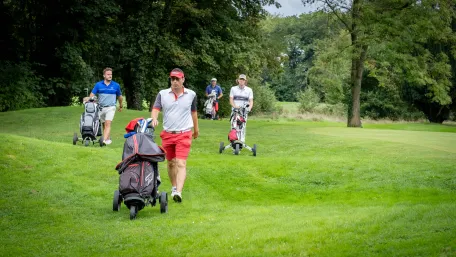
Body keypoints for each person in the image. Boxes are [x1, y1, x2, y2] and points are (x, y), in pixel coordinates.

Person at [151, 68, 199, 203]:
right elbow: (155, 109)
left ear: (183, 79)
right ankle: (173, 187)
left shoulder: (191, 94)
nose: (175, 81)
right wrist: (154, 118)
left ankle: (178, 191)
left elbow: (194, 113)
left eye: (178, 79)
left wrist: (196, 130)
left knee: (181, 162)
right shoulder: (163, 94)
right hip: (167, 133)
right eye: (173, 79)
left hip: (184, 133)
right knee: (171, 163)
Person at [89, 67, 123, 145]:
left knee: (108, 123)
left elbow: (120, 97)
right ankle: (107, 138)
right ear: (104, 75)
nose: (110, 76)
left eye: (111, 74)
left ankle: (103, 141)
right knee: (103, 124)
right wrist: (90, 101)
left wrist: (121, 106)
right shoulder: (98, 85)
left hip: (111, 107)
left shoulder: (116, 85)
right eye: (108, 74)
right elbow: (92, 94)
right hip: (100, 108)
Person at [229, 74, 253, 142]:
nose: (242, 81)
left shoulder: (249, 90)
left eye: (243, 80)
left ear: (245, 81)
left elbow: (251, 101)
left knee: (242, 128)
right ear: (238, 80)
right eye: (240, 79)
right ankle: (233, 143)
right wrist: (235, 106)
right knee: (234, 127)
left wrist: (249, 108)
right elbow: (231, 99)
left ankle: (241, 143)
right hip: (235, 111)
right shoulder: (233, 89)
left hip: (244, 112)